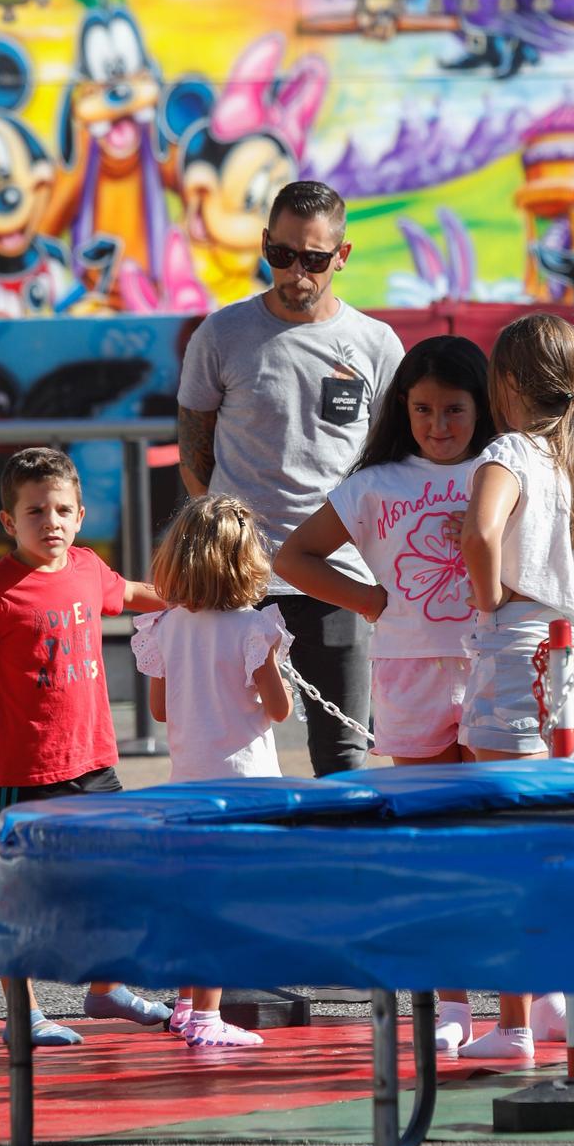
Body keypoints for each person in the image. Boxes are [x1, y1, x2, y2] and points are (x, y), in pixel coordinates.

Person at [276, 336, 495, 1054]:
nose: (438, 425)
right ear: (402, 408)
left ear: (480, 407)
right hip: (407, 675)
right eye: (424, 409)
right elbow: (292, 556)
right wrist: (372, 601)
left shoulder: (506, 467)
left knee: (505, 835)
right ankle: (452, 1002)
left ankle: (531, 1001)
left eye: (454, 410)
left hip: (496, 668)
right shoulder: (375, 483)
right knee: (431, 841)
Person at [0, 446, 168, 1046]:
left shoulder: (89, 568)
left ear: (81, 514)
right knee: (22, 896)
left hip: (93, 760)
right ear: (9, 522)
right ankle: (24, 1012)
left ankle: (107, 988)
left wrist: (202, 595)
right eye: (36, 511)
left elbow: (134, 593)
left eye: (63, 509)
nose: (52, 522)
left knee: (118, 873)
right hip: (24, 768)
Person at [177, 180, 404, 776]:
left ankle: (344, 869)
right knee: (226, 747)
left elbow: (391, 466)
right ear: (264, 245)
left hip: (337, 577)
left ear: (342, 256)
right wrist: (225, 544)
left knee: (344, 753)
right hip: (237, 581)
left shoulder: (376, 345)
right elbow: (193, 455)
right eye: (280, 255)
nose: (295, 272)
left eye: (313, 259)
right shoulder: (221, 334)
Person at [455, 312, 574, 1061]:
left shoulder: (510, 452)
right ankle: (569, 1001)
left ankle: (514, 1023)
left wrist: (487, 595)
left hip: (521, 649)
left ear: (503, 385)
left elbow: (480, 530)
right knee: (565, 836)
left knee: (509, 843)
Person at [132, 495, 293, 1050]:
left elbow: (160, 709)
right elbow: (278, 709)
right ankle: (207, 1016)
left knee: (194, 896)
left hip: (188, 783)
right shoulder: (253, 627)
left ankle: (185, 1003)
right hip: (244, 786)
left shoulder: (165, 626)